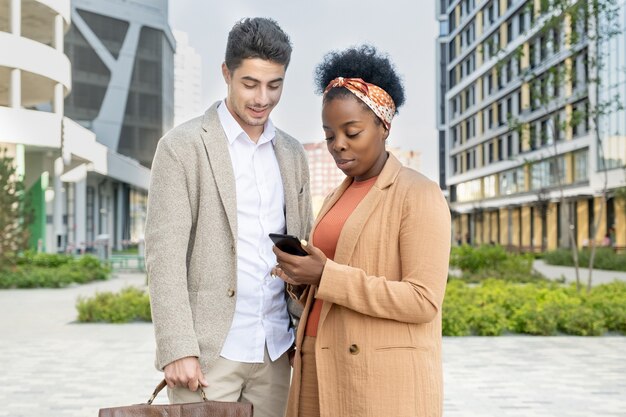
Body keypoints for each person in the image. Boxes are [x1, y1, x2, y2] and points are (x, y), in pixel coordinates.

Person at [144, 17, 313, 417]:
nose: (262, 98)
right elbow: (163, 255)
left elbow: (300, 249)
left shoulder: (292, 154)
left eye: (274, 85)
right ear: (226, 73)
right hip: (206, 356)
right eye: (250, 83)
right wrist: (177, 347)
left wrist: (299, 333)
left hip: (274, 351)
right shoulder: (181, 148)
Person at [272, 45, 451, 417]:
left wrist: (326, 274)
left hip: (374, 379)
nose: (338, 145)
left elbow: (423, 301)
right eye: (329, 135)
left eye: (351, 131)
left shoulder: (418, 194)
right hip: (316, 361)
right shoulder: (337, 197)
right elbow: (333, 289)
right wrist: (301, 279)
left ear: (384, 126)